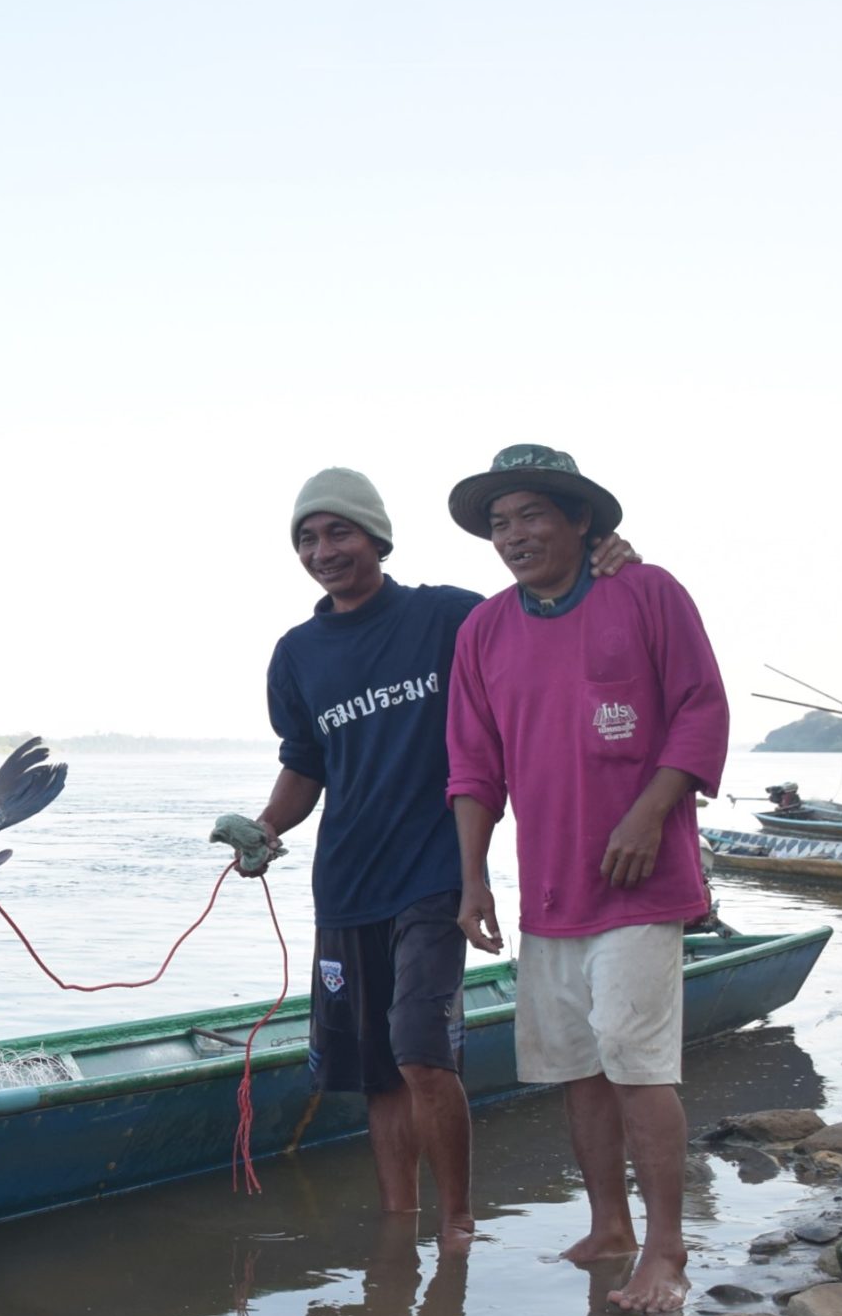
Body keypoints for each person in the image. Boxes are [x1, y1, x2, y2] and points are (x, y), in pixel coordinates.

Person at [213, 469, 634, 1257]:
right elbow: (307, 762)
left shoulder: (446, 615)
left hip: (436, 873)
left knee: (421, 1051)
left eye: (338, 532)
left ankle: (458, 1219)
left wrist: (606, 569)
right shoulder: (297, 654)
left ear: (377, 537)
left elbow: (543, 625)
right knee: (375, 1070)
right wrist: (267, 827)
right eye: (306, 538)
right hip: (344, 884)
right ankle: (398, 1224)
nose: (322, 550)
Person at [442, 445, 727, 1315]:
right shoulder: (484, 629)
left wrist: (648, 813)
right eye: (500, 523)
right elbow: (472, 766)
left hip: (641, 884)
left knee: (639, 1067)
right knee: (579, 1069)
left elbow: (702, 708)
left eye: (533, 514)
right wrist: (473, 879)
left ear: (581, 523)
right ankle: (610, 1226)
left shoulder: (646, 591)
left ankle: (668, 1251)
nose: (515, 535)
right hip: (550, 891)